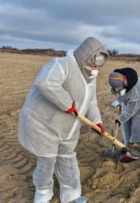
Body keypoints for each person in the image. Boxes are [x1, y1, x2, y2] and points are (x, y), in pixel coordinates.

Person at [18, 37, 109, 203]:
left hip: (69, 128)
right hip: (43, 125)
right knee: (47, 161)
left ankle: (71, 195)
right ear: (85, 58)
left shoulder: (90, 77)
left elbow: (92, 102)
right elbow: (45, 82)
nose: (96, 69)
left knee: (67, 159)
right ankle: (43, 194)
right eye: (94, 65)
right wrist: (67, 104)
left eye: (98, 66)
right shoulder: (61, 64)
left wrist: (96, 121)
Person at [109, 67, 140, 162]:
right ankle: (127, 146)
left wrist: (120, 119)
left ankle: (134, 154)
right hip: (129, 104)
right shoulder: (118, 81)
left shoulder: (136, 90)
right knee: (126, 127)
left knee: (137, 130)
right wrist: (117, 94)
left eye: (118, 89)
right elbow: (118, 94)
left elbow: (131, 110)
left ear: (125, 83)